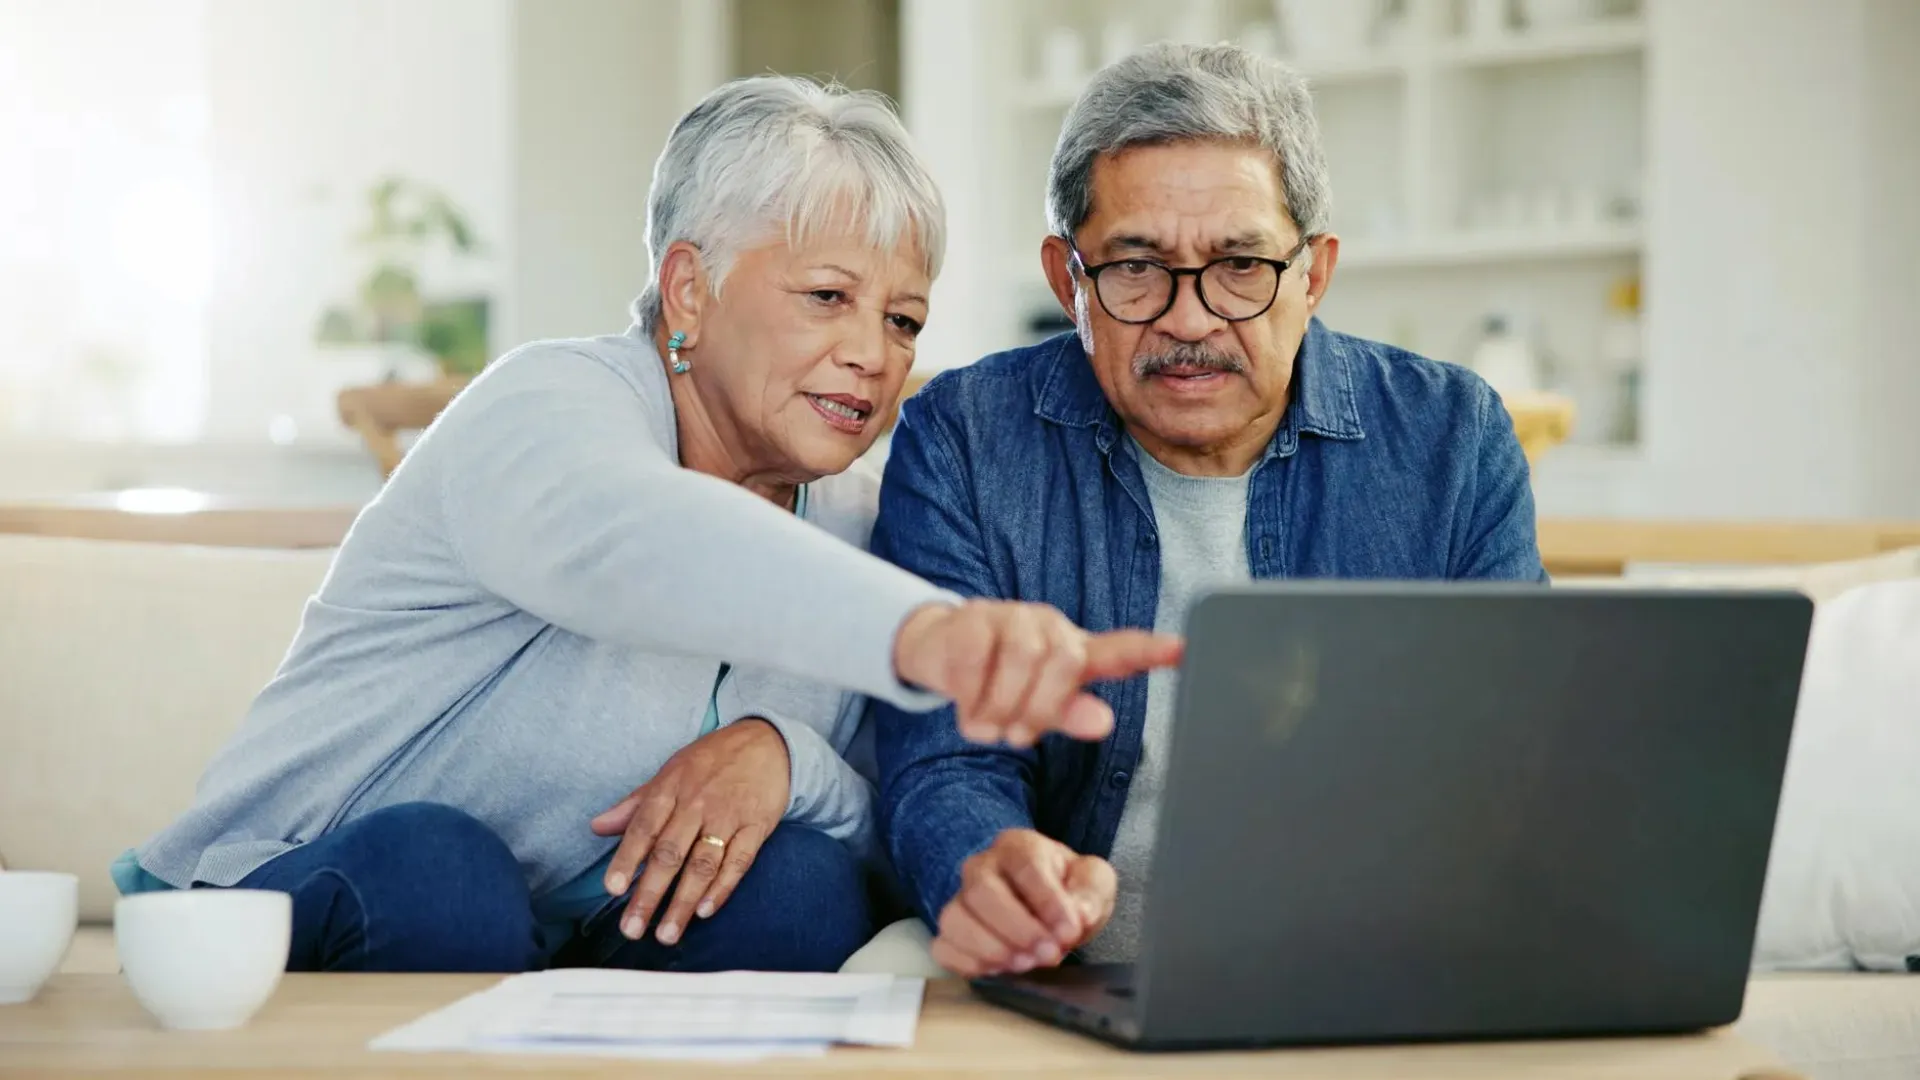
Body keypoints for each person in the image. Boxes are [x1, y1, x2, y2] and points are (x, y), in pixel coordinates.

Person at [111, 75, 1180, 975]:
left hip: (579, 939)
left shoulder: (858, 518)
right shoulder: (546, 410)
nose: (874, 351)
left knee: (805, 887)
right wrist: (929, 634)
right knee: (446, 871)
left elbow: (888, 810)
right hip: (289, 897)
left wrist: (783, 756)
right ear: (688, 289)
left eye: (902, 319)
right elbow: (638, 541)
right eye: (826, 296)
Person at [871, 43, 1548, 978]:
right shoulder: (964, 439)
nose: (1190, 320)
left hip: (1370, 971)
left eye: (1238, 265)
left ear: (1313, 274)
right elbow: (943, 759)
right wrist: (987, 864)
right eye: (1136, 268)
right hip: (1066, 976)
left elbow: (1513, 753)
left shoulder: (1451, 438)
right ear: (1069, 283)